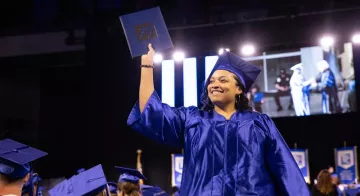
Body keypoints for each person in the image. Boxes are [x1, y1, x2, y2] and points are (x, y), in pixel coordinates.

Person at [127, 44, 310, 196]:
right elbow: (150, 111)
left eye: (223, 80)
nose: (214, 84)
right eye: (211, 81)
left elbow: (285, 169)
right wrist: (147, 65)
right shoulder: (193, 120)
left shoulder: (259, 123)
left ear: (239, 89)